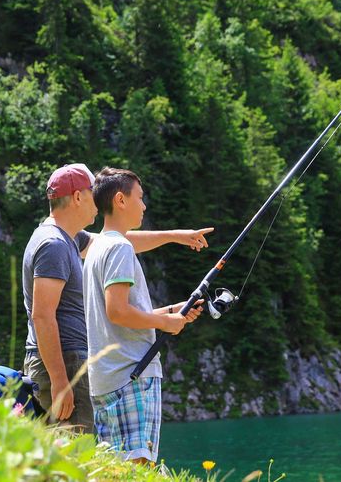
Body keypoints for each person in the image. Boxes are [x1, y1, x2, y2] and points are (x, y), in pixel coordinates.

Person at [22, 163, 212, 433]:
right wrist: (60, 381)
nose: (98, 201)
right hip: (63, 364)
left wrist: (175, 237)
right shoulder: (53, 244)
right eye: (92, 191)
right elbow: (42, 315)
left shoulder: (69, 239)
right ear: (78, 197)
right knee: (73, 457)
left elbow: (115, 242)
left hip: (69, 361)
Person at [83, 167, 203, 463]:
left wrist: (170, 312)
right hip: (131, 377)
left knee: (114, 469)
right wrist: (165, 323)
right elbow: (117, 311)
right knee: (139, 467)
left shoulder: (98, 247)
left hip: (105, 379)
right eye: (140, 197)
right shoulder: (120, 248)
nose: (144, 205)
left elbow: (115, 312)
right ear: (121, 200)